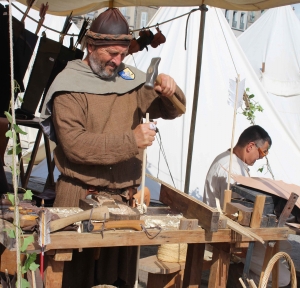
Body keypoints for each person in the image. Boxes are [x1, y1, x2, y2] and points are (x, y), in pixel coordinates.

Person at [40, 8, 186, 288]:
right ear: (91, 46)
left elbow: (171, 110)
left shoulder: (126, 74)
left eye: (123, 54)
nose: (118, 61)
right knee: (73, 280)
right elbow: (75, 145)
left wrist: (170, 89)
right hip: (78, 199)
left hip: (124, 203)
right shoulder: (68, 85)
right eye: (112, 54)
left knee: (117, 281)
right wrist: (131, 141)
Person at [203, 125, 291, 287]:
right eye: (263, 152)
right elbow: (240, 214)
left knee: (285, 246)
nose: (262, 157)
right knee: (283, 278)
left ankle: (239, 271)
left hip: (232, 230)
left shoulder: (230, 160)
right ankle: (237, 277)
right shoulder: (231, 169)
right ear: (251, 146)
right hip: (229, 236)